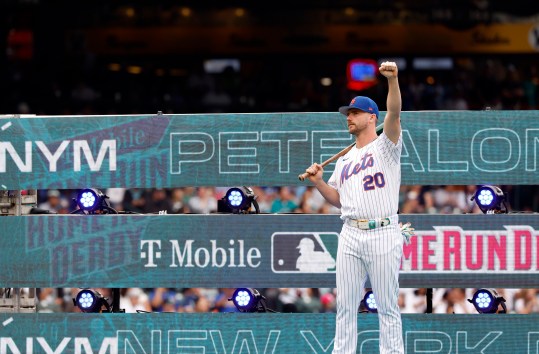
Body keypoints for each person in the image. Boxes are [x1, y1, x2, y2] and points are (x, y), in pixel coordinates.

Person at [305, 61, 404, 353]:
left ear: (372, 117)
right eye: (348, 113)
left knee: (386, 306)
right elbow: (338, 199)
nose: (349, 117)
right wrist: (320, 182)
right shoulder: (345, 159)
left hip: (383, 231)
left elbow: (395, 113)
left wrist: (393, 81)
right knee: (345, 306)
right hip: (350, 232)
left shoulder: (386, 145)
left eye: (355, 113)